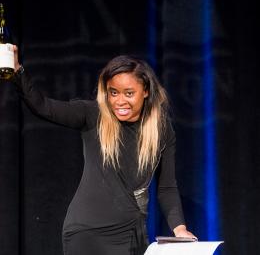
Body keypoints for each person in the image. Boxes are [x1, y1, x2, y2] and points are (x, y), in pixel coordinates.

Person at [11, 45, 196, 255]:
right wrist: (17, 70)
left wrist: (180, 229)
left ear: (145, 91)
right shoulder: (93, 115)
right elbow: (43, 106)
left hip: (131, 235)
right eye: (113, 93)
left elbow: (167, 187)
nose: (120, 101)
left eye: (129, 93)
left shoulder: (161, 129)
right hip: (86, 234)